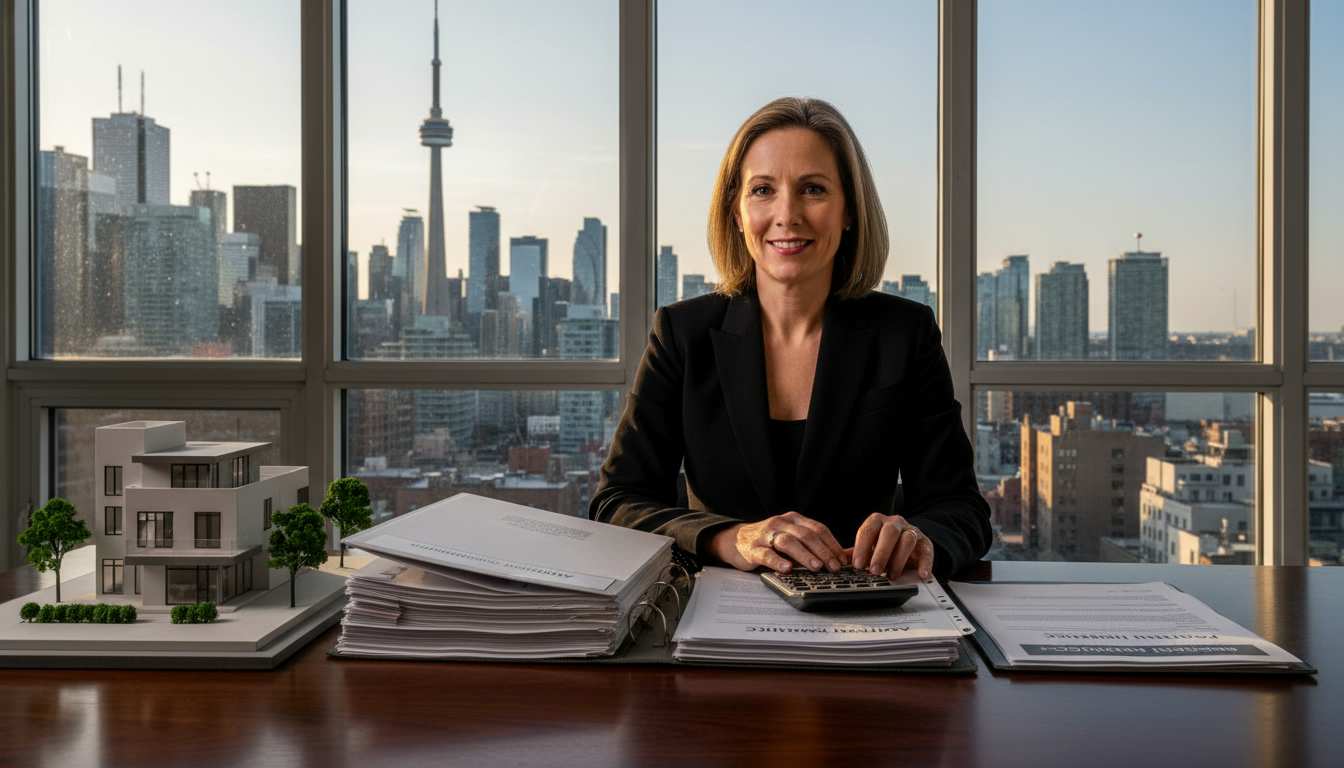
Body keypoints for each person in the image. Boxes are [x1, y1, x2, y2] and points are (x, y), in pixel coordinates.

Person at [591, 97, 991, 581]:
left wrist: (921, 537)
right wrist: (730, 538)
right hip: (717, 626)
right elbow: (615, 504)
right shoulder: (682, 334)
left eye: (813, 189)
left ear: (849, 212)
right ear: (737, 213)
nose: (787, 214)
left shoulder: (906, 334)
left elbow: (961, 508)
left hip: (866, 621)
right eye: (763, 190)